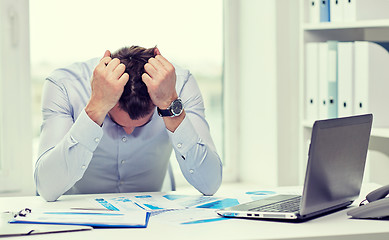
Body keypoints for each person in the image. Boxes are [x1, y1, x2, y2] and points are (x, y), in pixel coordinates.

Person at [35, 46, 222, 201]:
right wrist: (96, 108)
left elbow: (210, 183)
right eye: (117, 121)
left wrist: (170, 105)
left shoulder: (179, 85)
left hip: (155, 223)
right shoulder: (64, 85)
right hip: (78, 220)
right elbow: (47, 187)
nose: (129, 131)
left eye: (142, 124)